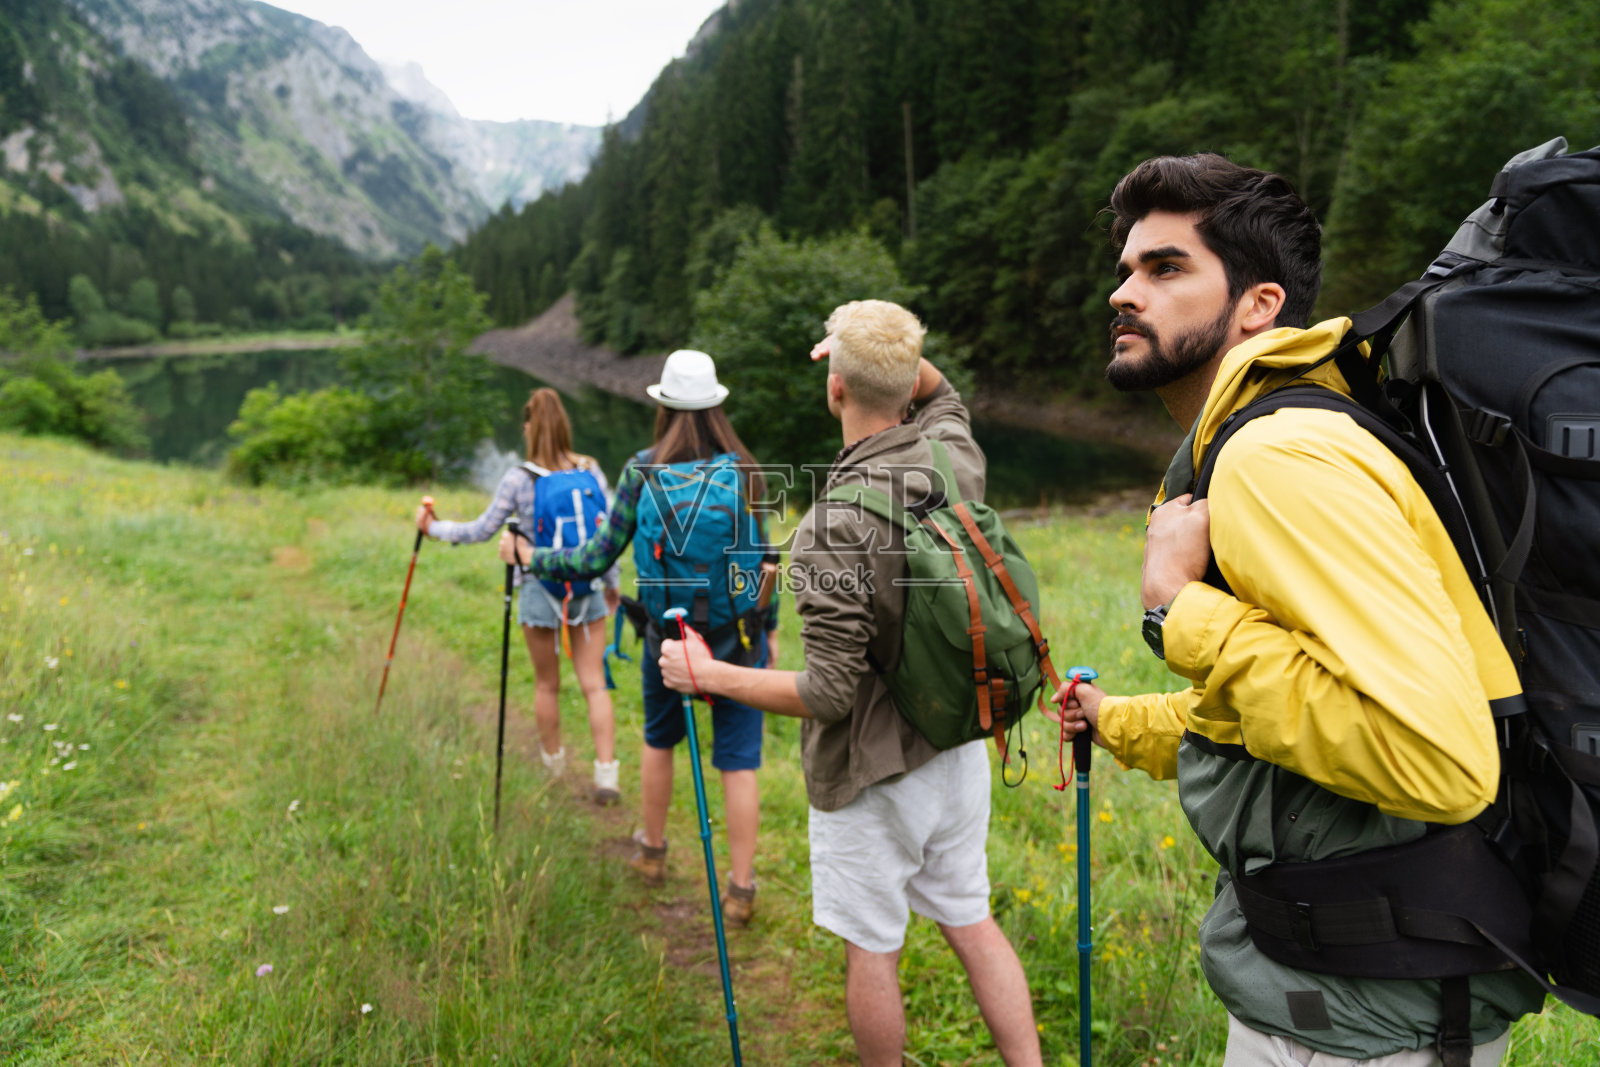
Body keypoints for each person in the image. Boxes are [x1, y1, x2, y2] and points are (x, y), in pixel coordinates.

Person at [1055, 154, 1544, 1064]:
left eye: (1166, 269)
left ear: (1258, 304)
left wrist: (1179, 611)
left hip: (1376, 1023)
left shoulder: (1278, 457)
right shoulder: (1256, 441)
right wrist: (1114, 721)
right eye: (1124, 269)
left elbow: (1437, 759)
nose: (1125, 292)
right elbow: (1276, 718)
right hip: (1349, 991)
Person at [657, 300, 1043, 1067]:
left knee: (873, 949)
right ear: (903, 385)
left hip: (875, 775)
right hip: (957, 747)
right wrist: (881, 343)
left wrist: (709, 673)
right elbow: (941, 390)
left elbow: (830, 693)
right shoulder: (950, 452)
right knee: (971, 920)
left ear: (834, 388)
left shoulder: (831, 525)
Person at [501, 349, 777, 927]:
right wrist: (767, 633)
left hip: (666, 639)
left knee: (659, 741)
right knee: (738, 761)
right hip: (736, 641)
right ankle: (741, 888)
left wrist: (532, 554)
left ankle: (652, 854)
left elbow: (596, 555)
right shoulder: (744, 471)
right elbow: (762, 565)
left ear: (662, 406)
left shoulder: (641, 471)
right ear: (716, 406)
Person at [416, 387, 623, 805]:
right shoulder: (592, 470)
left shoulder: (519, 478)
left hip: (537, 590)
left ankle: (554, 768)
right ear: (565, 424)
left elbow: (480, 530)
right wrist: (612, 585)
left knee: (547, 685)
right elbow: (607, 536)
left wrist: (432, 528)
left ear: (529, 427)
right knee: (595, 686)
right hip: (588, 588)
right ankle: (607, 777)